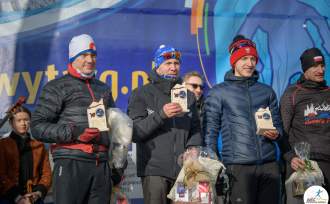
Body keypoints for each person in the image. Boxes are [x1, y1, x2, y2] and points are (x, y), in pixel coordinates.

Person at [31, 34, 115, 204]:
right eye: (84, 55)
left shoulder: (103, 88)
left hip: (101, 165)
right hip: (71, 162)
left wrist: (118, 164)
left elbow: (113, 127)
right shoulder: (57, 86)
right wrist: (75, 132)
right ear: (73, 58)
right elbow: (37, 126)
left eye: (93, 55)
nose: (90, 60)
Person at [203, 35, 283, 204]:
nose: (249, 63)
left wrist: (276, 134)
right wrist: (212, 165)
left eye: (253, 58)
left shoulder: (267, 92)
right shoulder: (218, 92)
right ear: (233, 62)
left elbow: (279, 127)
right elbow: (210, 132)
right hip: (237, 168)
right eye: (244, 58)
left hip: (269, 166)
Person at [127, 44, 202, 204]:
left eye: (176, 63)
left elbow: (195, 128)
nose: (173, 67)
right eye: (168, 63)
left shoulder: (188, 96)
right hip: (154, 172)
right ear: (157, 65)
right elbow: (135, 133)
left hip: (183, 172)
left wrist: (194, 148)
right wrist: (161, 115)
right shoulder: (141, 93)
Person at [280, 48, 330, 195]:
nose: (320, 70)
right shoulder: (292, 94)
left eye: (322, 66)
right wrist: (290, 158)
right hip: (303, 166)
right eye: (314, 66)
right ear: (305, 69)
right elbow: (281, 132)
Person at [0, 106, 51, 204]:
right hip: (8, 197)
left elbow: (46, 173)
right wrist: (18, 198)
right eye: (18, 120)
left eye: (26, 120)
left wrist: (37, 193)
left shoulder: (39, 145)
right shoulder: (3, 145)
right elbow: (1, 174)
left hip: (33, 197)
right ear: (11, 123)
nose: (23, 123)